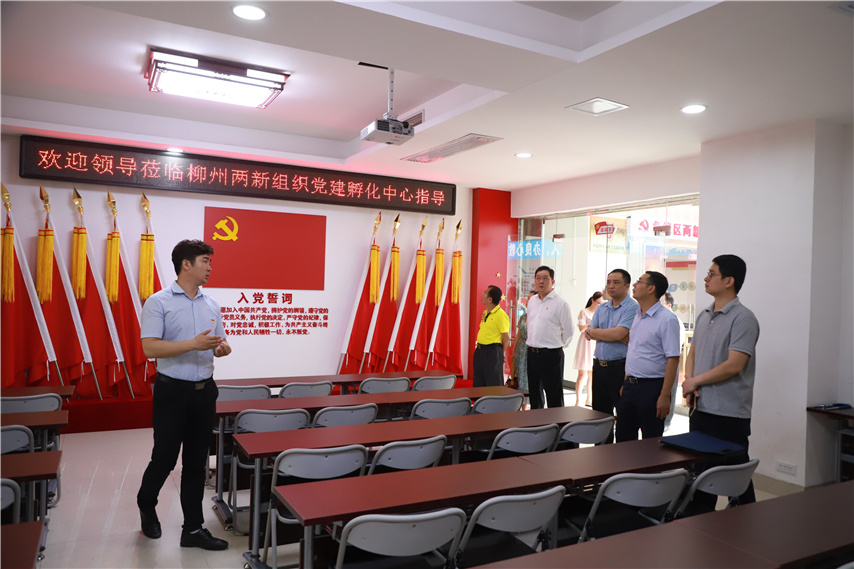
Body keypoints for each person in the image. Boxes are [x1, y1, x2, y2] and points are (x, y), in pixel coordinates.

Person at [137, 239, 232, 550]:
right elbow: (150, 347)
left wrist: (222, 348)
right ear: (186, 264)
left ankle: (192, 529)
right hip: (172, 392)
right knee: (164, 459)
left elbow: (220, 341)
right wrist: (193, 344)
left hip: (205, 392)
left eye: (210, 261)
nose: (210, 267)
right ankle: (146, 504)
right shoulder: (158, 302)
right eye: (205, 261)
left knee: (195, 463)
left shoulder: (211, 303)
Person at [682, 254, 760, 512]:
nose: (706, 278)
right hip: (701, 408)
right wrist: (689, 381)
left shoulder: (743, 318)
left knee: (735, 477)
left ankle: (748, 522)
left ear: (729, 281)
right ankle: (701, 524)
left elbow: (734, 365)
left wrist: (695, 381)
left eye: (712, 274)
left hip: (729, 413)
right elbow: (693, 352)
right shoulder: (704, 315)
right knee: (702, 475)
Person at [615, 271, 681, 442]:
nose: (634, 285)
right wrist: (626, 380)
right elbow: (633, 350)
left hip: (652, 388)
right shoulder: (638, 315)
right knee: (623, 438)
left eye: (639, 282)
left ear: (651, 289)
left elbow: (673, 359)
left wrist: (665, 395)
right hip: (630, 386)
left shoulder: (667, 319)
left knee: (650, 441)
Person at [586, 269, 639, 443]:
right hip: (599, 366)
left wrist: (599, 333)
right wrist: (610, 334)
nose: (611, 286)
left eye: (616, 282)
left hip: (620, 367)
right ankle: (602, 452)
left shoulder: (633, 307)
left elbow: (619, 333)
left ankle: (623, 454)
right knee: (600, 416)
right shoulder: (602, 307)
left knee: (624, 415)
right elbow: (588, 332)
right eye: (609, 282)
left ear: (627, 286)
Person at [525, 266, 574, 409]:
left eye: (545, 278)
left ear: (552, 281)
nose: (541, 281)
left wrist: (557, 344)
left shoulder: (561, 303)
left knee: (554, 395)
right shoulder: (532, 301)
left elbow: (569, 330)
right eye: (538, 278)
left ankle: (556, 422)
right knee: (534, 393)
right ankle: (536, 422)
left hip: (551, 354)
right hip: (532, 353)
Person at [473, 285, 511, 387]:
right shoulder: (485, 312)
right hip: (480, 350)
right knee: (478, 382)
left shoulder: (501, 315)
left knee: (493, 383)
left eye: (485, 293)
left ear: (490, 299)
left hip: (492, 352)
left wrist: (500, 353)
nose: (482, 294)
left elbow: (506, 337)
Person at [573, 291, 604, 406]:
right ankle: (578, 400)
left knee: (592, 374)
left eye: (601, 303)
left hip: (595, 342)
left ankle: (589, 399)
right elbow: (581, 329)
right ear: (593, 300)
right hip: (585, 343)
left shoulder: (600, 313)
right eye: (598, 302)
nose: (599, 305)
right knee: (582, 374)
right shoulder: (584, 312)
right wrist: (591, 323)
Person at [661, 292, 686, 431]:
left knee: (670, 392)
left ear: (669, 305)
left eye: (662, 302)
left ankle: (667, 423)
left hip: (670, 361)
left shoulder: (674, 320)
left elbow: (675, 347)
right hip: (659, 363)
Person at [511, 291, 536, 394]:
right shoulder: (524, 316)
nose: (527, 300)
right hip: (521, 349)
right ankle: (521, 399)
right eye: (527, 298)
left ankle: (528, 400)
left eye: (530, 298)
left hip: (532, 350)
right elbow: (518, 334)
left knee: (530, 378)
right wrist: (514, 351)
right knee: (520, 376)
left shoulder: (538, 317)